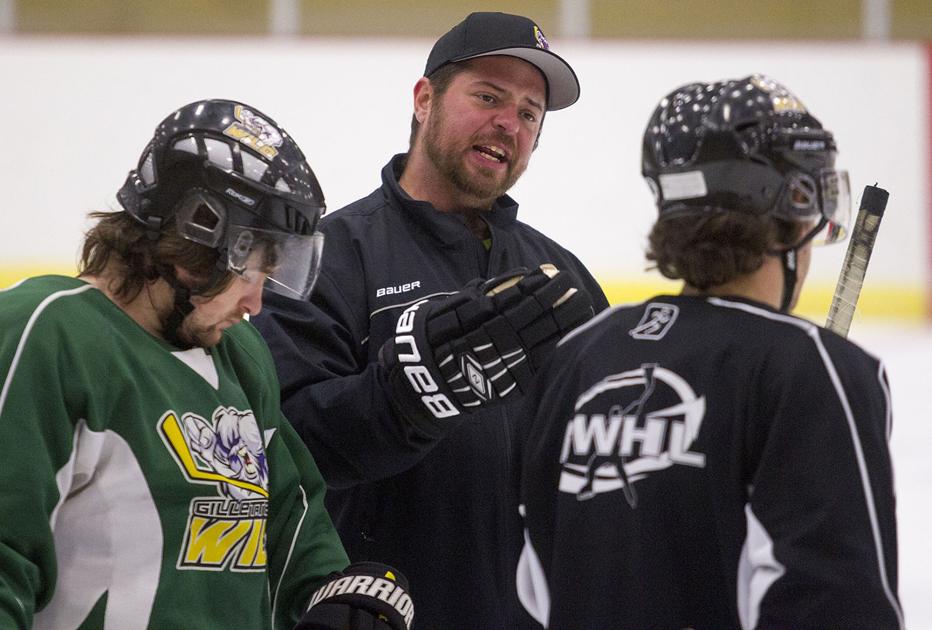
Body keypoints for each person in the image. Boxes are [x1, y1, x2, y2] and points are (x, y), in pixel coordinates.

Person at [252, 12, 608, 629]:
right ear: (425, 99)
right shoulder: (330, 256)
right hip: (380, 614)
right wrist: (409, 395)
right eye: (489, 96)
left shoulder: (560, 279)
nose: (509, 123)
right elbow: (278, 446)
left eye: (529, 113)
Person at [0, 99, 414, 630]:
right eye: (253, 270)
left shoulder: (241, 357)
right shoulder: (48, 333)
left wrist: (339, 596)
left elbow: (291, 520)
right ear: (196, 240)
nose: (256, 304)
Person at [517, 75, 903, 629]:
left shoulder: (576, 359)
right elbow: (838, 606)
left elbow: (534, 590)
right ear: (794, 205)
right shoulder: (811, 369)